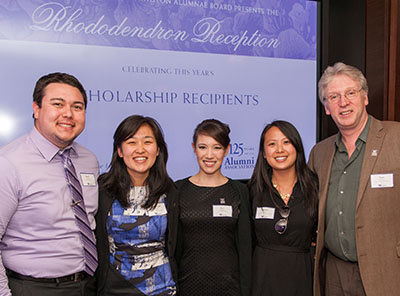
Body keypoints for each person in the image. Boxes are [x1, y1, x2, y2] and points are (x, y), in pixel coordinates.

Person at [0, 73, 99, 295]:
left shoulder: (89, 160)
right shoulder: (8, 163)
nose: (68, 114)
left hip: (88, 285)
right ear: (36, 109)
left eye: (77, 106)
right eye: (57, 104)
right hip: (33, 288)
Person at [308, 62, 400, 296]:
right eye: (334, 96)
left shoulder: (396, 138)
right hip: (334, 273)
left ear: (365, 97)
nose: (343, 102)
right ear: (327, 107)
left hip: (386, 270)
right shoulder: (320, 153)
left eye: (350, 93)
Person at [95, 115, 177, 295]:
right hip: (115, 287)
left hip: (162, 288)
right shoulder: (102, 191)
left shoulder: (170, 192)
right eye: (131, 142)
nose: (140, 150)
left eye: (147, 142)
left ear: (157, 150)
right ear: (120, 150)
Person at [175, 119, 252, 296]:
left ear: (227, 150)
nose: (209, 155)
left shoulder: (239, 191)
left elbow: (245, 247)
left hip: (230, 287)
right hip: (187, 285)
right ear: (194, 148)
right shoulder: (178, 190)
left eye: (216, 147)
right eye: (203, 147)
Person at [248, 120, 318, 296]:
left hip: (302, 276)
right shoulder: (252, 191)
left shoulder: (315, 187)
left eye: (286, 142)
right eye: (272, 144)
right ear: (264, 153)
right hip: (262, 277)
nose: (279, 150)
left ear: (297, 147)